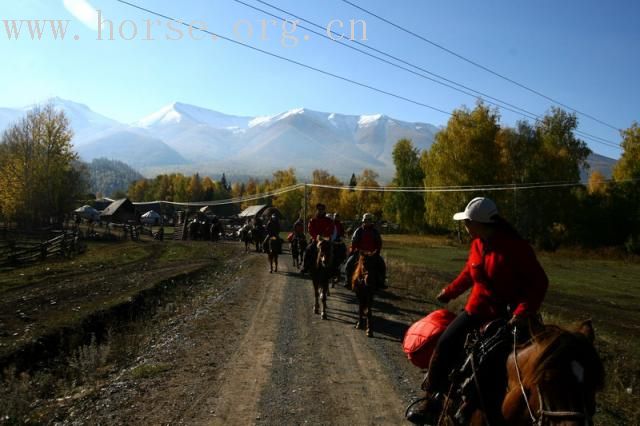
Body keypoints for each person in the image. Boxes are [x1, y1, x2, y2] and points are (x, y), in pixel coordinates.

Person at [406, 197, 549, 425]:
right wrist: (450, 291)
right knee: (444, 344)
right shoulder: (477, 244)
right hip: (476, 310)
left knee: (510, 366)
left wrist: (523, 312)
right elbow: (468, 274)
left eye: (467, 222)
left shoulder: (517, 247)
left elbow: (539, 283)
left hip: (509, 319)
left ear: (480, 223)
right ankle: (431, 400)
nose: (465, 226)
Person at [344, 213, 387, 289]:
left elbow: (379, 243)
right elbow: (354, 242)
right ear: (363, 221)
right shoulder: (358, 231)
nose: (367, 222)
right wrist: (355, 250)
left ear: (371, 221)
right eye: (366, 221)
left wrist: (376, 252)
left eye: (369, 220)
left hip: (372, 254)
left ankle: (381, 282)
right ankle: (348, 281)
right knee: (348, 264)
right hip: (360, 253)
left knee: (382, 264)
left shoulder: (375, 232)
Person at [301, 203, 334, 273]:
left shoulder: (329, 220)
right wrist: (317, 236)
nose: (320, 211)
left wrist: (325, 235)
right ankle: (305, 266)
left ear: (324, 210)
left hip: (326, 240)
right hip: (315, 240)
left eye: (322, 209)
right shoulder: (313, 220)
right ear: (317, 210)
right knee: (308, 250)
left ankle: (335, 269)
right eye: (319, 209)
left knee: (333, 250)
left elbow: (331, 229)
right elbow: (310, 229)